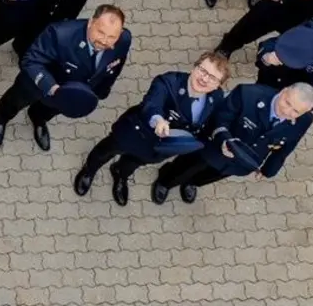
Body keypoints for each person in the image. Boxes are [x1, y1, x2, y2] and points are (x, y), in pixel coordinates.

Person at [73, 52, 231, 206]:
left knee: (135, 162)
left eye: (212, 78)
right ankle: (90, 169)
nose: (204, 79)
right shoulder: (168, 82)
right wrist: (158, 120)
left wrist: (223, 141)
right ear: (194, 67)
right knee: (106, 150)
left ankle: (120, 173)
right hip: (136, 132)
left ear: (218, 85)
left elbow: (215, 122)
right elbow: (151, 104)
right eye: (203, 70)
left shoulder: (216, 98)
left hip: (162, 148)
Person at [0, 5, 131, 151]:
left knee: (51, 110)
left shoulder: (124, 39)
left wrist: (103, 88)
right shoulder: (60, 33)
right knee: (15, 101)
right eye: (100, 32)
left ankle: (38, 118)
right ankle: (0, 119)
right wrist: (50, 86)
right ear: (90, 23)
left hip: (71, 90)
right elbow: (31, 60)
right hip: (40, 82)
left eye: (112, 36)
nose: (105, 41)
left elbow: (116, 64)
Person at [151, 82, 313, 204]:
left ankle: (192, 183)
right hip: (212, 148)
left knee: (211, 176)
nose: (286, 111)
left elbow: (287, 146)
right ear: (284, 91)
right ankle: (166, 181)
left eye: (295, 111)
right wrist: (224, 140)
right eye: (287, 102)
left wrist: (268, 170)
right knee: (186, 167)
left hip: (241, 161)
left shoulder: (304, 120)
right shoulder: (248, 94)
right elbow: (220, 118)